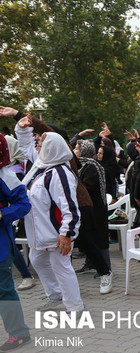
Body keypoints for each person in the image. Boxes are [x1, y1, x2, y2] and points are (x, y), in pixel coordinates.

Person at [15, 114, 84, 312]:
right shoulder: (41, 166)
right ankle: (55, 295)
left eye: (41, 144)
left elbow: (69, 207)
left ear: (51, 148)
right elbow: (27, 146)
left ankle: (75, 307)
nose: (37, 146)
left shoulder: (59, 173)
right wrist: (22, 128)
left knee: (61, 267)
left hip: (56, 233)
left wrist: (67, 234)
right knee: (37, 260)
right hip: (40, 231)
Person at [0, 134, 32, 351]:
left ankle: (19, 333)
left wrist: (3, 214)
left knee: (4, 288)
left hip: (0, 245)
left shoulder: (5, 175)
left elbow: (24, 203)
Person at [73, 140, 114, 294]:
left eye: (77, 148)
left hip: (96, 209)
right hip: (88, 208)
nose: (75, 150)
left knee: (100, 238)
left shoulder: (92, 167)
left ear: (84, 151)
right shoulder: (83, 165)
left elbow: (86, 187)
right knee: (90, 238)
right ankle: (91, 264)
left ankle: (106, 268)